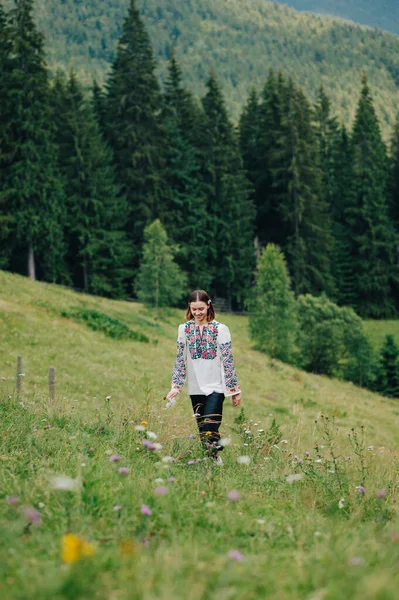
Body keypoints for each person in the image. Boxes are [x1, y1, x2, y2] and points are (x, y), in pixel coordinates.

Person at [166, 289, 242, 465]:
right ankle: (213, 462)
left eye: (201, 308)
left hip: (216, 387)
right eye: (194, 309)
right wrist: (175, 387)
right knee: (202, 430)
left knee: (209, 425)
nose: (198, 313)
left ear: (208, 306)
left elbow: (228, 361)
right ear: (189, 308)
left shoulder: (220, 329)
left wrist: (234, 391)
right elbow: (180, 360)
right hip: (195, 388)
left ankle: (215, 456)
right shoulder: (184, 330)